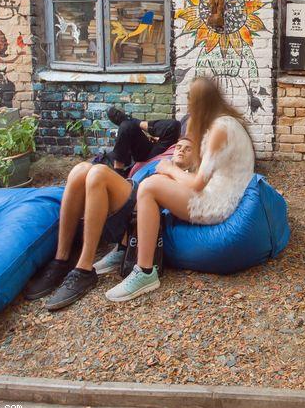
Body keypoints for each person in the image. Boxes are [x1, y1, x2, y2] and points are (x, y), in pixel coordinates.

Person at [105, 76, 255, 302]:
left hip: (218, 205)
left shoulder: (218, 130)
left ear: (197, 103)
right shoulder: (228, 122)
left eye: (189, 100)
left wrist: (169, 169)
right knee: (156, 182)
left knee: (148, 187)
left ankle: (145, 271)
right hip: (225, 194)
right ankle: (125, 248)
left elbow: (197, 184)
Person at [25, 136, 195, 311]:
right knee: (80, 169)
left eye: (187, 149)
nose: (181, 150)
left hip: (140, 208)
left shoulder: (191, 175)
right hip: (132, 202)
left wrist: (171, 170)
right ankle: (61, 261)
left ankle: (83, 269)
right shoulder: (158, 166)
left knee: (98, 172)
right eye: (178, 147)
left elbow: (189, 196)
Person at [97, 106, 182, 178]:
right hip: (155, 149)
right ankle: (132, 121)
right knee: (174, 125)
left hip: (155, 155)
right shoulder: (187, 119)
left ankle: (118, 171)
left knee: (126, 126)